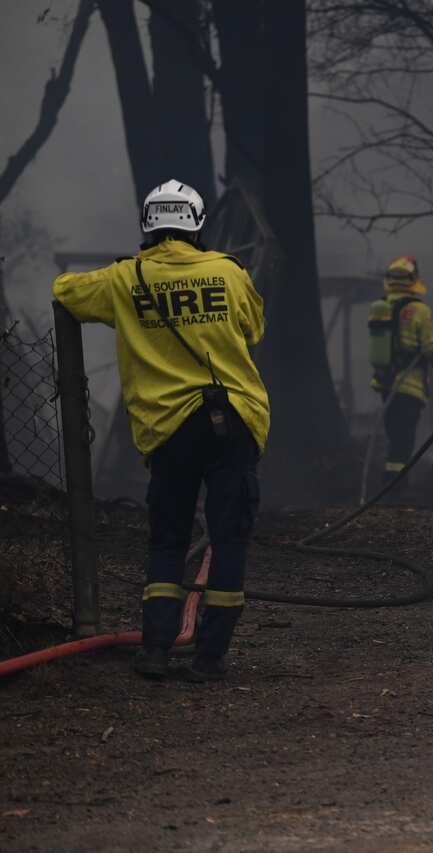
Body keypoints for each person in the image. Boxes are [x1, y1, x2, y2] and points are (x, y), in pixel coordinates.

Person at [52, 179, 270, 682]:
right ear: (197, 223)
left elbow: (64, 291)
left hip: (169, 428)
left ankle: (154, 650)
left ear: (149, 225)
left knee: (168, 539)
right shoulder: (229, 273)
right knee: (229, 537)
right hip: (233, 420)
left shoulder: (125, 278)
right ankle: (210, 657)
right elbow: (253, 329)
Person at [369, 255, 433, 484]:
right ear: (413, 280)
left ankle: (392, 476)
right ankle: (397, 481)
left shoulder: (380, 308)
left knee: (394, 432)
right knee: (405, 435)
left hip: (386, 383)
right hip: (410, 385)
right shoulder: (419, 310)